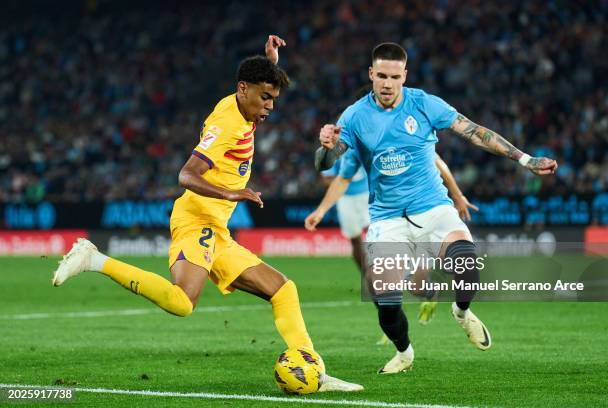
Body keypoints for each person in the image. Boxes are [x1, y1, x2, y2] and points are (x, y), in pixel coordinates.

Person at [52, 35, 362, 392]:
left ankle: (312, 369)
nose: (270, 107)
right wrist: (232, 191)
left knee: (283, 290)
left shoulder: (243, 106)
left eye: (273, 99)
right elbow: (186, 174)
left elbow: (257, 90)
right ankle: (94, 259)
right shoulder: (228, 123)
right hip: (196, 219)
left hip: (217, 228)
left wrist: (270, 62)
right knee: (182, 302)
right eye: (265, 97)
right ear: (243, 89)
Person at [314, 42, 557, 374]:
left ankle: (461, 312)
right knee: (384, 298)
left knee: (468, 263)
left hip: (433, 207)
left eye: (394, 76)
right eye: (381, 76)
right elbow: (325, 162)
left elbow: (475, 132)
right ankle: (405, 352)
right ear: (371, 74)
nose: (387, 84)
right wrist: (325, 147)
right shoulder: (355, 116)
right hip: (388, 218)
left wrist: (525, 159)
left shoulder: (424, 104)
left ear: (405, 76)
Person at [305, 150, 478, 327]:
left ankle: (426, 288)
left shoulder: (397, 138)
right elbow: (333, 178)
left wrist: (457, 195)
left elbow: (435, 159)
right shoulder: (344, 146)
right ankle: (388, 303)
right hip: (361, 203)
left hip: (390, 201)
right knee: (362, 251)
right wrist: (322, 209)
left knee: (416, 276)